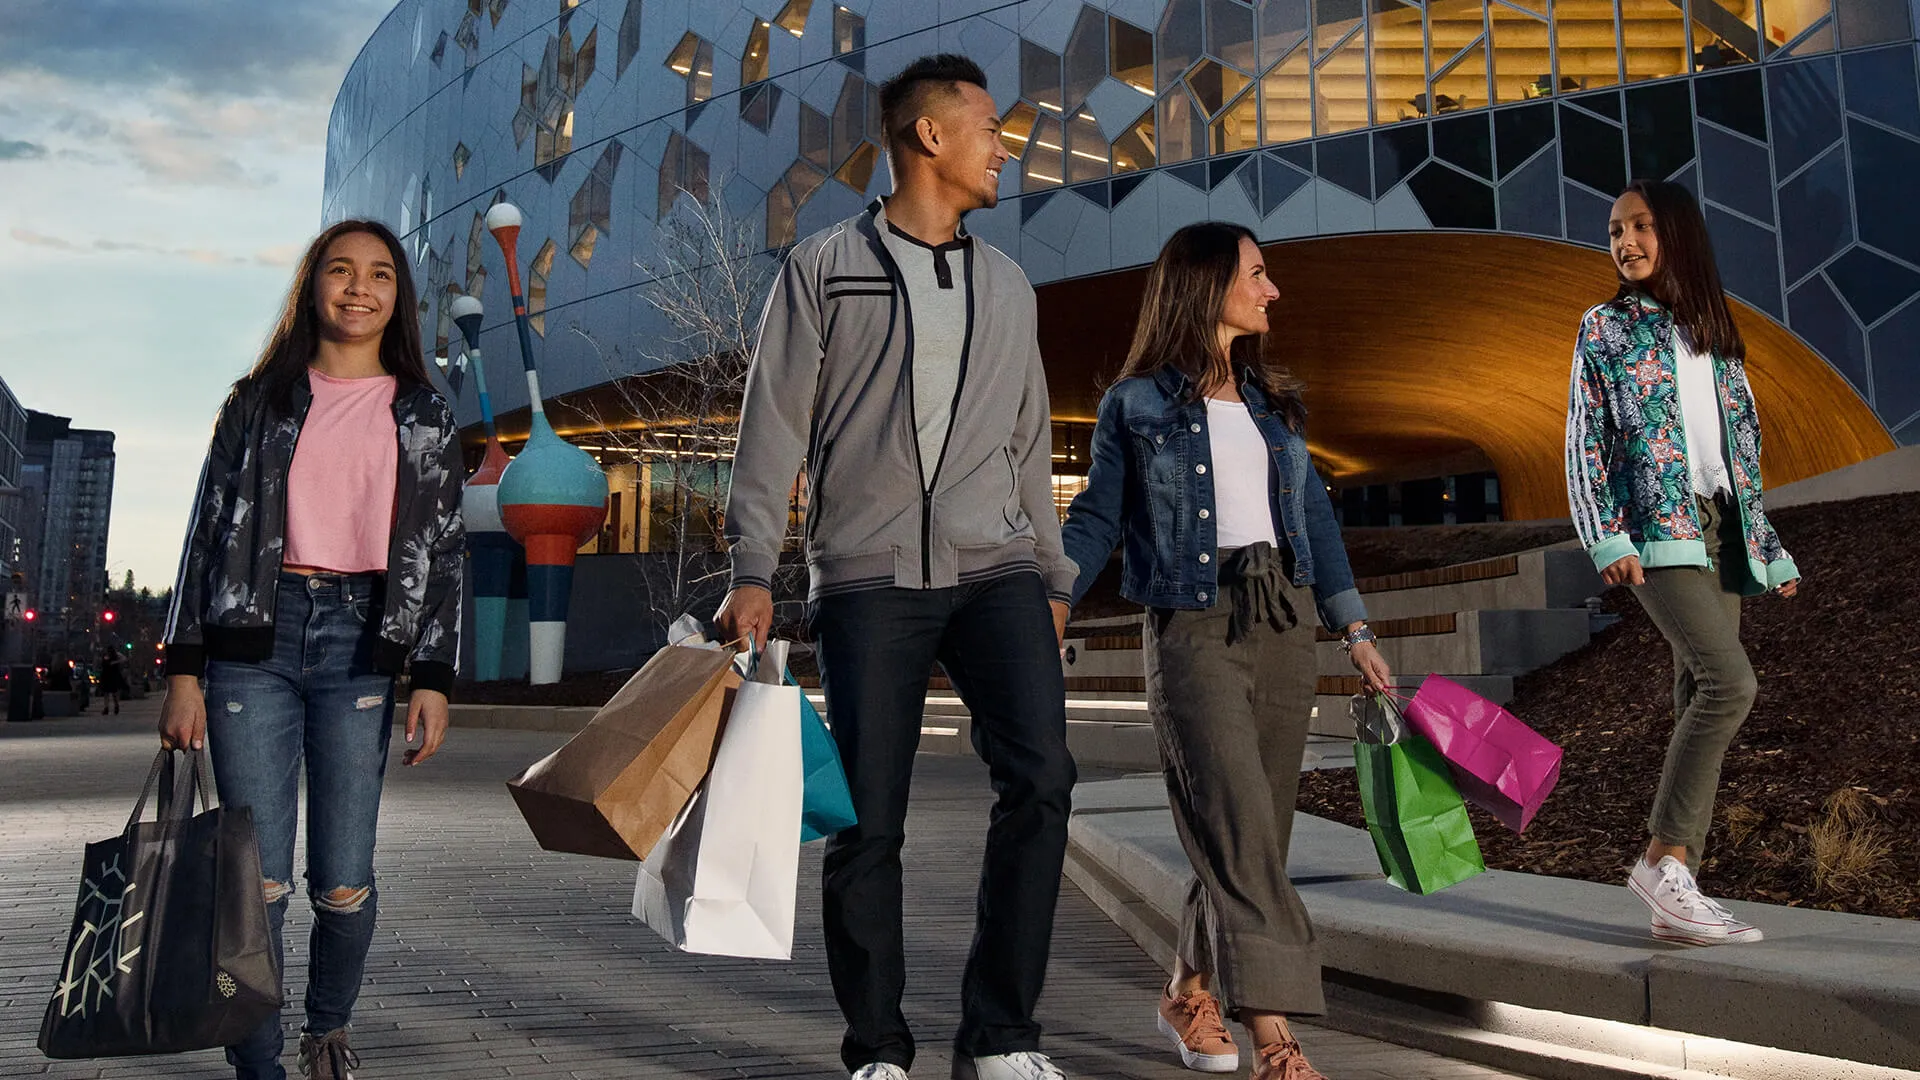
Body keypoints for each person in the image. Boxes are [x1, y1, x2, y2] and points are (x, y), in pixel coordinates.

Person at [715, 53, 1076, 1080]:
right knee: (868, 818)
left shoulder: (1007, 283)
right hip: (869, 577)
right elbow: (771, 427)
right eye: (989, 128)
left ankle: (1001, 1032)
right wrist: (753, 567)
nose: (1005, 146)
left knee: (1044, 779)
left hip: (996, 567)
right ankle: (877, 1047)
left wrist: (1050, 576)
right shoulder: (826, 266)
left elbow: (1028, 435)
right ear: (930, 137)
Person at [1057, 223, 1389, 1080]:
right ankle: (1276, 1039)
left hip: (1283, 620)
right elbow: (1098, 517)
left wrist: (1352, 628)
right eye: (1257, 274)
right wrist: (1052, 595)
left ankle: (1187, 989)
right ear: (1208, 287)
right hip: (1192, 623)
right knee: (1238, 823)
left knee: (1256, 833)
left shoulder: (1276, 409)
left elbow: (1314, 518)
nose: (1272, 290)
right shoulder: (1135, 406)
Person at [158, 219, 465, 1080]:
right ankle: (257, 1064)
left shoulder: (423, 413)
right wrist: (184, 668)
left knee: (342, 879)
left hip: (362, 645)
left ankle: (327, 1032)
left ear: (398, 298)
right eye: (341, 271)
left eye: (379, 275)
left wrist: (434, 678)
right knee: (256, 880)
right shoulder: (257, 402)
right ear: (313, 286)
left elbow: (444, 554)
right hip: (255, 639)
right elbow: (205, 536)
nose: (358, 288)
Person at [1565, 179, 1800, 947]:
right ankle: (1661, 858)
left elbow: (1742, 447)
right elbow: (1585, 438)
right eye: (1615, 231)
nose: (1625, 242)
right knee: (1731, 683)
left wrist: (1765, 545)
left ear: (1678, 234)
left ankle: (1679, 890)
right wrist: (1608, 537)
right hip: (1655, 531)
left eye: (1640, 226)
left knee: (1699, 688)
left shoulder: (1713, 329)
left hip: (1718, 527)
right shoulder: (1604, 327)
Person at [98, 649, 127, 714]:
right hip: (110, 676)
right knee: (110, 693)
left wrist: (115, 662)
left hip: (109, 676)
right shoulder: (113, 655)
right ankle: (111, 707)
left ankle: (109, 707)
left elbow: (124, 659)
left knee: (109, 693)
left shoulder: (113, 655)